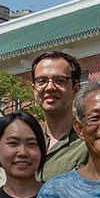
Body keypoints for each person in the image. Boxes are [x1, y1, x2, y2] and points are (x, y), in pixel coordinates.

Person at [30, 51, 88, 179]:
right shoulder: (29, 143)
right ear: (34, 90)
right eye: (42, 81)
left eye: (60, 80)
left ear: (76, 89)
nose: (50, 87)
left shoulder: (89, 143)